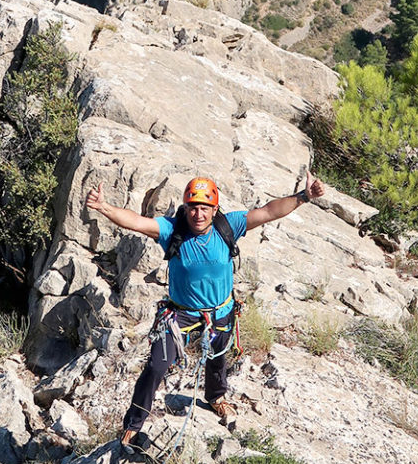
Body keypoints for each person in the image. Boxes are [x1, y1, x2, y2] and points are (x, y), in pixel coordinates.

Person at [85, 173, 326, 447]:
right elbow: (138, 222)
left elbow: (269, 212)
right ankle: (133, 424)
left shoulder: (228, 226)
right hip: (181, 313)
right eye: (193, 208)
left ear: (214, 209)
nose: (198, 214)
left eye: (204, 208)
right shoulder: (172, 230)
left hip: (221, 310)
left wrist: (304, 197)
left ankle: (216, 398)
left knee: (217, 359)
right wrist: (104, 207)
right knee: (156, 366)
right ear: (185, 207)